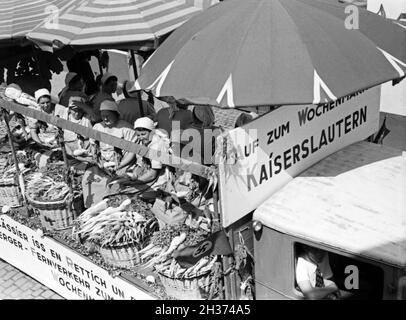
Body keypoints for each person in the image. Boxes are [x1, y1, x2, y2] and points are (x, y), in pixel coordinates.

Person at [82, 100, 137, 207]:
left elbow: (132, 152)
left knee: (114, 185)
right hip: (103, 165)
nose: (105, 119)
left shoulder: (126, 128)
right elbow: (94, 148)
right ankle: (91, 207)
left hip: (123, 165)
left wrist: (119, 166)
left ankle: (109, 206)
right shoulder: (98, 127)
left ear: (116, 114)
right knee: (88, 179)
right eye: (103, 116)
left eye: (108, 115)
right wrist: (100, 163)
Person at [108, 117, 171, 199]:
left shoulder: (156, 147)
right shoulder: (144, 141)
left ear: (151, 132)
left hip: (157, 177)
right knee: (116, 184)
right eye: (138, 135)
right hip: (145, 172)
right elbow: (135, 155)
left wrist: (134, 182)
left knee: (124, 193)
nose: (141, 137)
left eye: (143, 134)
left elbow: (152, 175)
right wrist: (119, 166)